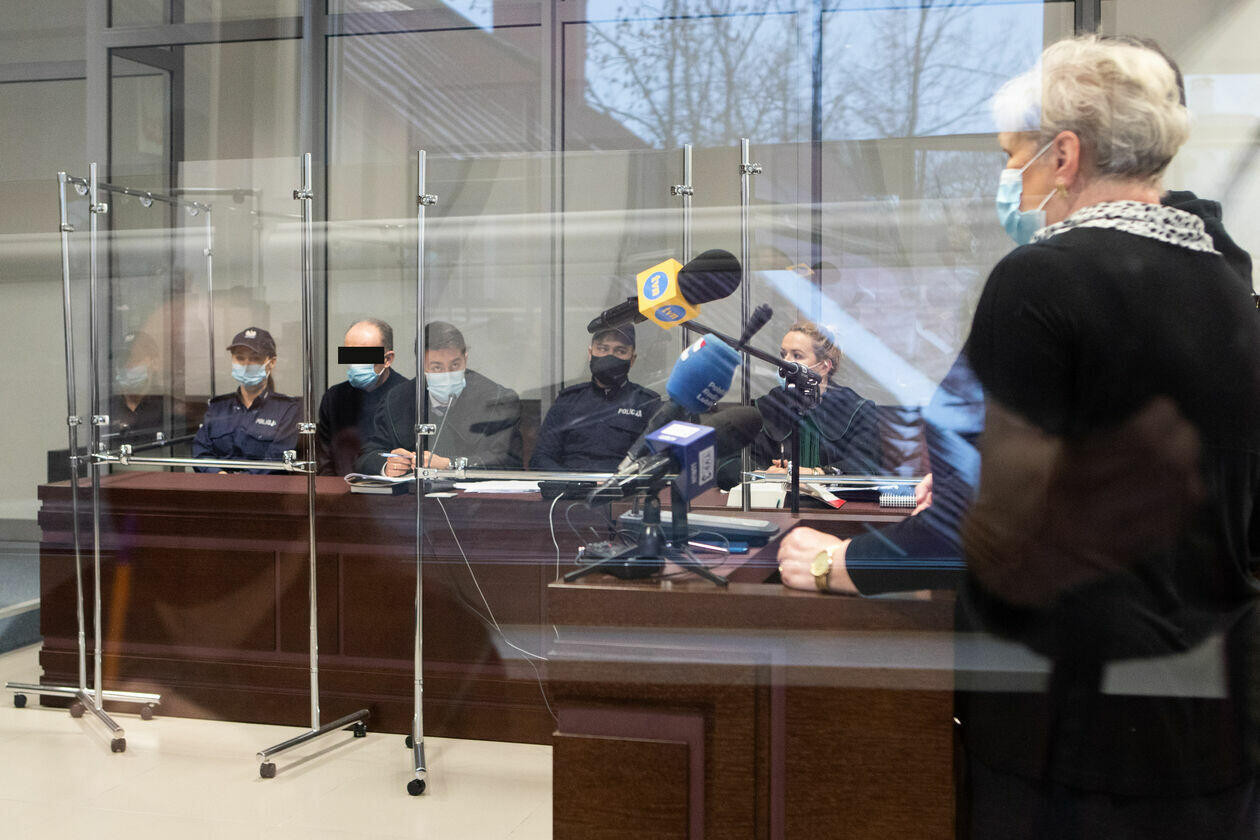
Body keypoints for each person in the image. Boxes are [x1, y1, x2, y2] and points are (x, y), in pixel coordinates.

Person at [777, 36, 1260, 838]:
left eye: (1012, 155)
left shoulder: (1040, 281)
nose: (1010, 177)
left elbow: (965, 530)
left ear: (1064, 155)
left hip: (1070, 732)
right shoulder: (1230, 286)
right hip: (1215, 723)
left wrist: (835, 562)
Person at [356, 321, 522, 476]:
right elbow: (367, 455)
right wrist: (388, 465)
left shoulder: (497, 399)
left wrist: (450, 464)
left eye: (455, 365)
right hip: (411, 495)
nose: (447, 374)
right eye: (437, 367)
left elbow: (510, 460)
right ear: (421, 366)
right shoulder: (396, 399)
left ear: (465, 358)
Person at [749, 320, 881, 475]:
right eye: (783, 354)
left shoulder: (857, 409)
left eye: (797, 355)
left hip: (833, 492)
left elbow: (867, 465)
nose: (785, 362)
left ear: (824, 367)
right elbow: (736, 462)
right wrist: (765, 473)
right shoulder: (766, 406)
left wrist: (816, 474)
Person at [530, 325, 660, 471]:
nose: (610, 356)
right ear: (590, 353)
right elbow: (541, 458)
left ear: (632, 359)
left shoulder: (647, 403)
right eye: (603, 349)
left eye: (620, 351)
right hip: (570, 483)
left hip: (623, 484)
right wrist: (572, 482)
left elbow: (657, 461)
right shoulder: (568, 400)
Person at [192, 326, 300, 474]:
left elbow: (277, 460)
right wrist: (218, 475)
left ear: (272, 362)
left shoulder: (286, 409)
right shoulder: (218, 407)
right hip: (217, 485)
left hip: (263, 487)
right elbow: (200, 452)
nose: (246, 364)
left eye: (255, 359)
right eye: (240, 358)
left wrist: (240, 482)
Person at [316, 318, 406, 476]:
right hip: (341, 487)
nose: (356, 363)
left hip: (392, 487)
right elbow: (324, 463)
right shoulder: (334, 398)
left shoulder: (408, 396)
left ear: (388, 359)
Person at [108, 330, 169, 444]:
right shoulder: (105, 410)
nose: (127, 366)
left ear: (155, 363)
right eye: (122, 361)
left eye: (134, 359)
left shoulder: (168, 409)